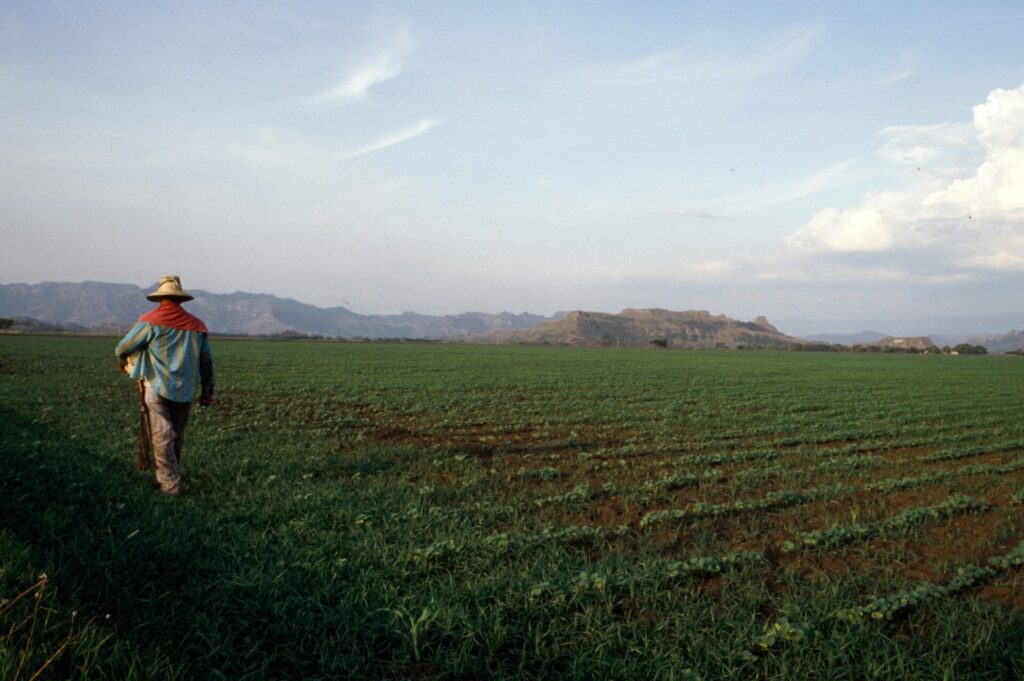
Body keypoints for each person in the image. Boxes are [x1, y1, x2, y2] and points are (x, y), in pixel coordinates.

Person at [116, 276, 214, 495]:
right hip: (187, 389)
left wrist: (124, 363)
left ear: (160, 299)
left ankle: (169, 485)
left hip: (156, 386)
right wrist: (207, 391)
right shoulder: (197, 326)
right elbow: (206, 361)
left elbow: (122, 347)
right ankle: (173, 474)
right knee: (176, 435)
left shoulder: (149, 321)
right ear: (180, 300)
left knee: (161, 435)